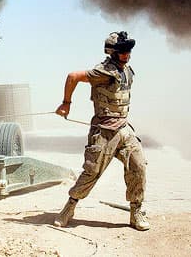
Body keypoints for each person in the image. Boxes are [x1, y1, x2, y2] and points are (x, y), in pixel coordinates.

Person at [53, 31, 149, 231]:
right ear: (112, 52)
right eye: (122, 51)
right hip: (104, 132)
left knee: (138, 166)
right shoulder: (103, 71)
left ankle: (136, 212)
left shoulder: (127, 70)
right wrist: (66, 103)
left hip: (124, 128)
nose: (126, 54)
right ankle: (69, 207)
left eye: (128, 51)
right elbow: (73, 76)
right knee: (92, 172)